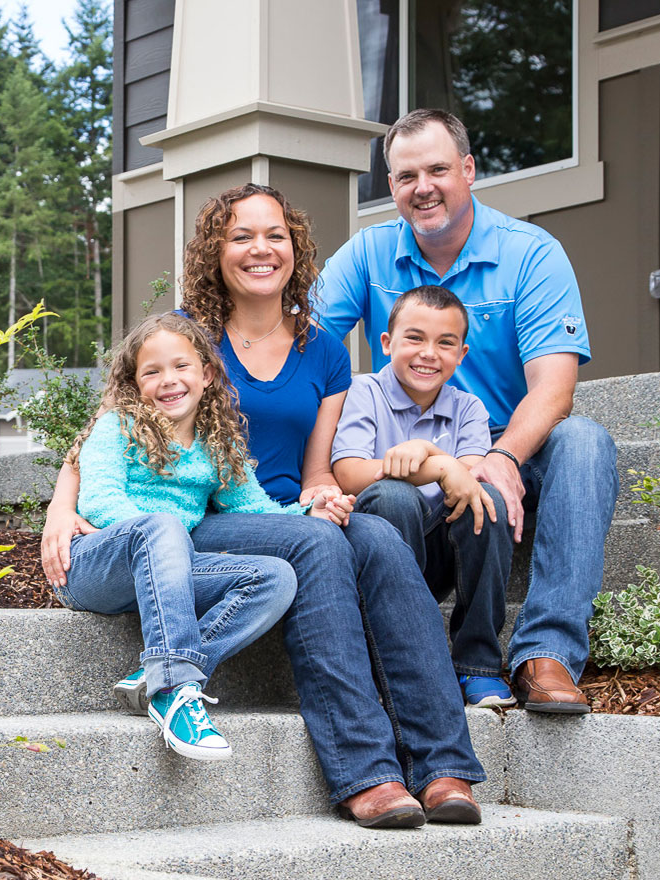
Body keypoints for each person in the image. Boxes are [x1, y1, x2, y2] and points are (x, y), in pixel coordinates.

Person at [41, 184, 486, 828]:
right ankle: (366, 768)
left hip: (281, 512)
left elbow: (313, 471)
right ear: (214, 253)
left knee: (380, 541)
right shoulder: (187, 340)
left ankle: (444, 765)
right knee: (320, 544)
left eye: (274, 234)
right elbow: (108, 429)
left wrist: (324, 500)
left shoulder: (325, 351)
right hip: (209, 513)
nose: (260, 249)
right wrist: (62, 508)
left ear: (295, 247)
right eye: (240, 236)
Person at [317, 108, 620, 714]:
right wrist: (317, 474)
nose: (422, 187)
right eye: (405, 176)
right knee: (396, 499)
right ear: (393, 187)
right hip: (407, 448)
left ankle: (546, 653)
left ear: (469, 169)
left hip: (511, 441)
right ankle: (407, 652)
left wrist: (502, 456)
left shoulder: (532, 254)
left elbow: (555, 390)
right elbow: (301, 347)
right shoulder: (368, 254)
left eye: (436, 169)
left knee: (586, 440)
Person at [55, 312, 353, 760]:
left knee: (275, 577)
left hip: (166, 570)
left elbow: (255, 510)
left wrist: (309, 510)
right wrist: (165, 540)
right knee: (163, 526)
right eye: (151, 372)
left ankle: (160, 670)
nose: (168, 380)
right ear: (135, 384)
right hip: (96, 564)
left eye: (181, 366)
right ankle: (174, 691)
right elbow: (100, 500)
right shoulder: (116, 426)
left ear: (207, 374)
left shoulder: (218, 443)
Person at [331, 285, 523, 709]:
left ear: (462, 354)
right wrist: (438, 464)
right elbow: (347, 473)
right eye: (414, 338)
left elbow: (470, 477)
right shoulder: (364, 391)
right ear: (387, 343)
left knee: (487, 500)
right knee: (393, 495)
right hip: (377, 554)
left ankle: (477, 664)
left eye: (445, 343)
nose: (428, 353)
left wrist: (431, 453)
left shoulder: (469, 407)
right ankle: (399, 664)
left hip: (437, 551)